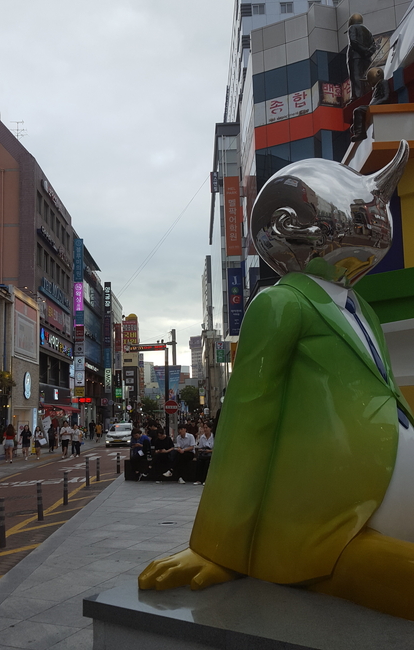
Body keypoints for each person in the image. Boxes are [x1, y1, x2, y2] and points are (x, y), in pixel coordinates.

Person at [139, 144, 414, 622]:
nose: (375, 231)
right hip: (330, 517)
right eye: (359, 217)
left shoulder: (362, 309)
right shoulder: (279, 303)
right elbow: (248, 423)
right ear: (289, 226)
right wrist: (218, 547)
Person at [347, 13, 376, 102]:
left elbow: (353, 41)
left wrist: (363, 50)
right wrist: (368, 52)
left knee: (356, 77)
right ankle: (368, 95)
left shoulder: (352, 28)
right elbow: (373, 45)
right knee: (367, 77)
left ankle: (357, 97)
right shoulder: (367, 31)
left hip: (355, 56)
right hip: (367, 58)